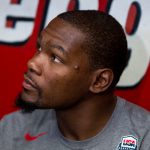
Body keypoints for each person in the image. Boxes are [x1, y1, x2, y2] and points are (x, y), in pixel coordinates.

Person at [0, 10, 150, 150]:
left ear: (99, 81)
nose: (32, 63)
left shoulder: (143, 137)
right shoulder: (13, 130)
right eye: (39, 48)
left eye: (55, 58)